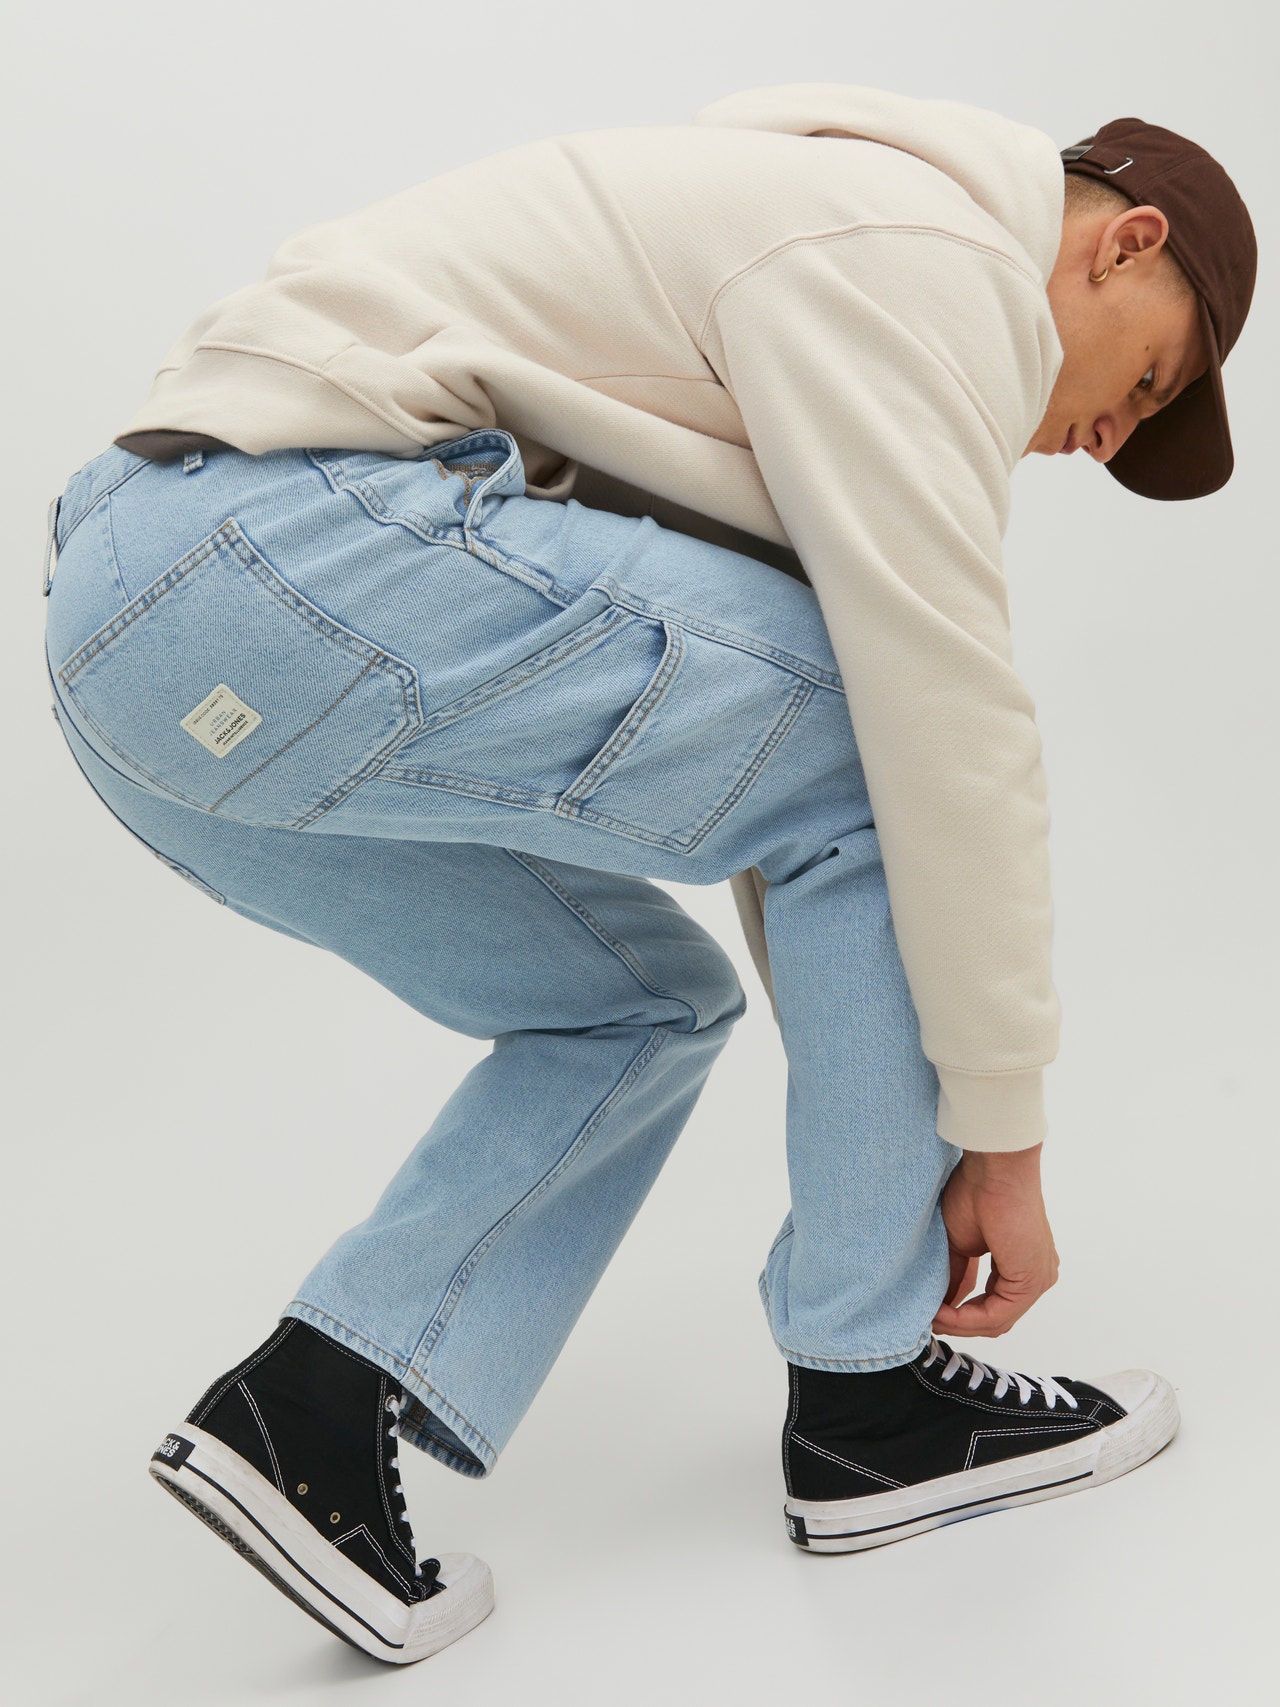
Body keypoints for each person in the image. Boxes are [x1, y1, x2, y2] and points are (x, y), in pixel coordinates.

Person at [42, 84, 1255, 1664]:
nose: (1106, 438)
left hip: (132, 628)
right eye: (1149, 381)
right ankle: (873, 1397)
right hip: (283, 553)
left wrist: (920, 1109)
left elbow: (774, 765)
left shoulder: (821, 240)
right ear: (1124, 244)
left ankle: (315, 1414)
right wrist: (999, 1138)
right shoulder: (927, 249)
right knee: (903, 742)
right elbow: (936, 724)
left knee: (632, 1004)